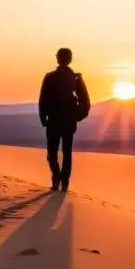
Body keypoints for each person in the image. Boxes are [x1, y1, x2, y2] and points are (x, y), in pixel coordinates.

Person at [38, 47, 90, 191]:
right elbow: (85, 102)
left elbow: (42, 100)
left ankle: (57, 178)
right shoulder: (75, 78)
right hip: (66, 122)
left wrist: (44, 119)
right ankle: (63, 181)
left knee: (53, 153)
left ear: (58, 58)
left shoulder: (55, 77)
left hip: (55, 121)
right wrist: (77, 116)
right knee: (66, 153)